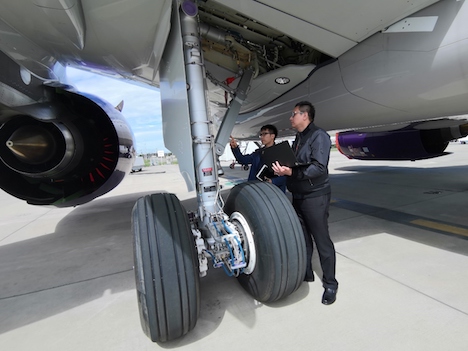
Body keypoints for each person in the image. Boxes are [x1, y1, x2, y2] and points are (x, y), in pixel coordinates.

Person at [271, 101, 338, 305]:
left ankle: (330, 284)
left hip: (315, 197)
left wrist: (291, 172)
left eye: (293, 115)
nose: (290, 118)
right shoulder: (298, 138)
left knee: (322, 240)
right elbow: (297, 163)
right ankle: (307, 273)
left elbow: (319, 168)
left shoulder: (319, 136)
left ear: (305, 116)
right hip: (298, 195)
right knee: (303, 239)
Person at [230, 124, 286, 192]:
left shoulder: (281, 154)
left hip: (274, 192)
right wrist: (235, 148)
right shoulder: (258, 153)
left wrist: (272, 181)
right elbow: (242, 160)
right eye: (261, 135)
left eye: (264, 134)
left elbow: (286, 175)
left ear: (272, 136)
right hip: (257, 190)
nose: (262, 137)